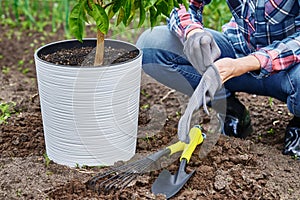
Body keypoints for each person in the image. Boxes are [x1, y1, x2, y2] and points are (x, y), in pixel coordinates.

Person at [136, 0, 300, 158]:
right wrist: (193, 33)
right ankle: (230, 109)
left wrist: (244, 64)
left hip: (291, 70)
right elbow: (185, 3)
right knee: (151, 46)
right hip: (238, 50)